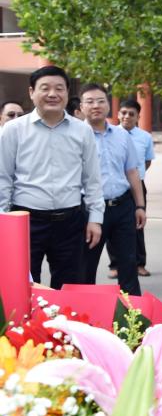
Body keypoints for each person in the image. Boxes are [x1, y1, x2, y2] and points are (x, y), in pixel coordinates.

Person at [0, 66, 103, 288]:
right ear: (32, 92)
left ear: (67, 92)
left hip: (70, 222)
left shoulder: (82, 131)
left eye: (59, 88)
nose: (52, 94)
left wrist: (95, 218)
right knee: (23, 287)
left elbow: (92, 179)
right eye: (45, 88)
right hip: (26, 221)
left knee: (69, 288)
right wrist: (3, 220)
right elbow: (3, 178)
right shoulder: (13, 130)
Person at [80, 83, 146, 296]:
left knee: (128, 264)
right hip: (89, 209)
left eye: (101, 101)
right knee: (86, 265)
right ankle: (85, 312)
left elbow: (132, 171)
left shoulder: (121, 135)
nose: (96, 105)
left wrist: (140, 206)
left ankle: (133, 311)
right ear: (81, 107)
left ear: (108, 105)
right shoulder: (76, 135)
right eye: (90, 102)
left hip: (122, 206)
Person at [107, 98, 155, 278]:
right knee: (111, 226)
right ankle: (115, 265)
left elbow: (147, 161)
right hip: (115, 186)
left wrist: (135, 178)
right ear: (118, 114)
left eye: (131, 114)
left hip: (137, 185)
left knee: (138, 224)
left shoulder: (145, 137)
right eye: (124, 113)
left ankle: (139, 264)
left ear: (138, 117)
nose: (127, 116)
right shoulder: (109, 134)